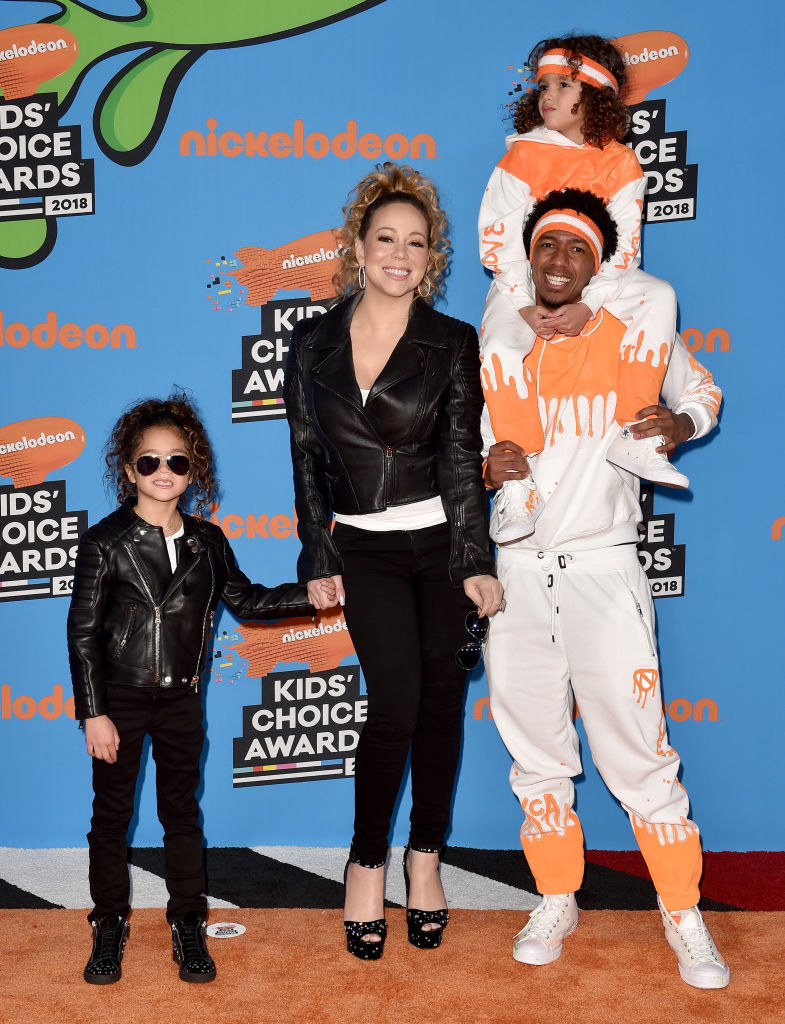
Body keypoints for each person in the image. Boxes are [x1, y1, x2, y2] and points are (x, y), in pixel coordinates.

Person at [482, 189, 730, 989]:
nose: (557, 263)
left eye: (576, 251)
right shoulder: (495, 344)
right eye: (546, 247)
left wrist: (680, 425)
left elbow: (704, 395)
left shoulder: (633, 334)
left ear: (599, 266)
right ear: (527, 257)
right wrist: (482, 466)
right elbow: (468, 445)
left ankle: (681, 912)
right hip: (517, 570)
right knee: (535, 750)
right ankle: (556, 895)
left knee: (640, 752)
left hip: (602, 566)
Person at [284, 162, 503, 960]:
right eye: (386, 239)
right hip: (364, 548)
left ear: (432, 255)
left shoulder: (451, 343)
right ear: (358, 245)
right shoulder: (309, 343)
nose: (400, 254)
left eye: (416, 242)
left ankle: (426, 859)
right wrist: (316, 548)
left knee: (441, 705)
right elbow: (306, 456)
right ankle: (366, 863)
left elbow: (458, 458)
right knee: (396, 706)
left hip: (442, 545)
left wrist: (474, 559)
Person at [67, 394, 312, 985]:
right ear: (128, 470)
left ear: (193, 468)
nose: (163, 474)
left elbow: (248, 601)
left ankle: (186, 925)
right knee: (111, 817)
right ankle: (108, 924)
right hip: (119, 700)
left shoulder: (208, 541)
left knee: (181, 814)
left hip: (181, 700)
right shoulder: (105, 541)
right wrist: (93, 714)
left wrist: (313, 595)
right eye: (148, 463)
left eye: (177, 463)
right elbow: (82, 634)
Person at [479, 33, 686, 545]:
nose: (548, 95)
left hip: (603, 283)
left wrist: (591, 307)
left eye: (563, 85)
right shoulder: (521, 156)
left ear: (592, 96)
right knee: (501, 347)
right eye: (543, 85)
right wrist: (524, 305)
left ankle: (634, 436)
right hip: (523, 286)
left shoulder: (621, 164)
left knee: (659, 296)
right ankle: (517, 483)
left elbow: (624, 250)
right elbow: (498, 239)